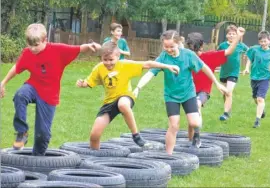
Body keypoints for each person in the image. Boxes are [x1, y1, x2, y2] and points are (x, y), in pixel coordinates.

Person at [0, 23, 101, 155]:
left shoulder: (58, 50)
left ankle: (38, 160)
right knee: (20, 95)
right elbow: (17, 67)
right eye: (30, 45)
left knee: (42, 135)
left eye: (36, 45)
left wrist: (90, 46)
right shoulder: (27, 53)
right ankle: (22, 132)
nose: (33, 48)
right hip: (33, 86)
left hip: (49, 95)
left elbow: (78, 48)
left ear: (45, 40)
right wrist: (3, 82)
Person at [133, 30, 227, 154]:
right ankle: (169, 155)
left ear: (178, 43)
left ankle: (197, 136)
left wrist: (216, 82)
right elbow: (150, 73)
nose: (168, 49)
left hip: (188, 94)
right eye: (165, 46)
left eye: (171, 46)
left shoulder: (188, 55)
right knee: (174, 126)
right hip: (171, 96)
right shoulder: (163, 57)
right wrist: (138, 87)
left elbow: (204, 67)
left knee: (194, 122)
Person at [76, 42, 179, 150]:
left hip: (125, 96)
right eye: (105, 60)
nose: (108, 63)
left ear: (118, 57)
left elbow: (148, 64)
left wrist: (167, 66)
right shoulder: (99, 68)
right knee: (94, 135)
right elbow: (89, 82)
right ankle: (94, 157)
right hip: (109, 102)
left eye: (111, 60)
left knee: (123, 105)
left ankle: (136, 136)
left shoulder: (125, 64)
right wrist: (82, 83)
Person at [185, 27, 245, 140]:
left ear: (201, 46)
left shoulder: (209, 57)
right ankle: (190, 141)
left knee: (197, 105)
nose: (195, 52)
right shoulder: (185, 58)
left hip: (203, 92)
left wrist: (238, 37)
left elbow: (229, 51)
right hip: (188, 91)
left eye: (196, 49)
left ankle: (197, 136)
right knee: (191, 120)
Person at [243, 30, 270, 128]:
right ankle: (261, 110)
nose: (263, 43)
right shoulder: (254, 49)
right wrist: (246, 68)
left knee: (260, 98)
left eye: (265, 41)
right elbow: (249, 59)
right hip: (254, 77)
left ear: (269, 41)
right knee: (255, 98)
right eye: (261, 41)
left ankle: (257, 120)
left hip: (265, 78)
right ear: (259, 42)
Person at [217, 25, 248, 121]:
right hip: (223, 72)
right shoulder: (222, 45)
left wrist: (247, 67)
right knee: (224, 93)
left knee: (228, 92)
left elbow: (250, 53)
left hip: (234, 73)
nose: (231, 35)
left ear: (237, 35)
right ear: (226, 35)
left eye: (233, 34)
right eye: (229, 34)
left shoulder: (241, 45)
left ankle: (225, 113)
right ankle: (228, 110)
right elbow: (217, 56)